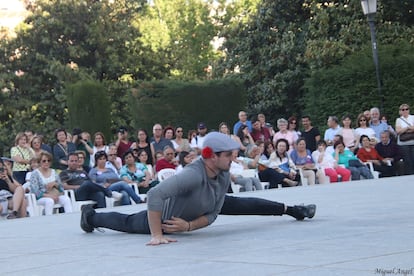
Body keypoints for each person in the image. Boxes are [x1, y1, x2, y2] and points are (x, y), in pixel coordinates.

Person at [80, 132, 316, 246]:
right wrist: (157, 235)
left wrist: (190, 226)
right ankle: (90, 216)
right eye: (228, 155)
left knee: (244, 203)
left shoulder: (223, 173)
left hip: (203, 204)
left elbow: (212, 215)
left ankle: (293, 210)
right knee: (127, 223)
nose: (233, 159)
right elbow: (154, 194)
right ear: (210, 156)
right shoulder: (194, 174)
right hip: (165, 218)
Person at [395, 103, 414, 175]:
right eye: (403, 110)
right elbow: (398, 131)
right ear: (400, 111)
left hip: (413, 142)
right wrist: (407, 128)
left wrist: (405, 130)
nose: (405, 111)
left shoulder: (412, 117)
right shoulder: (399, 120)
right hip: (403, 143)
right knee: (407, 160)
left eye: (406, 109)